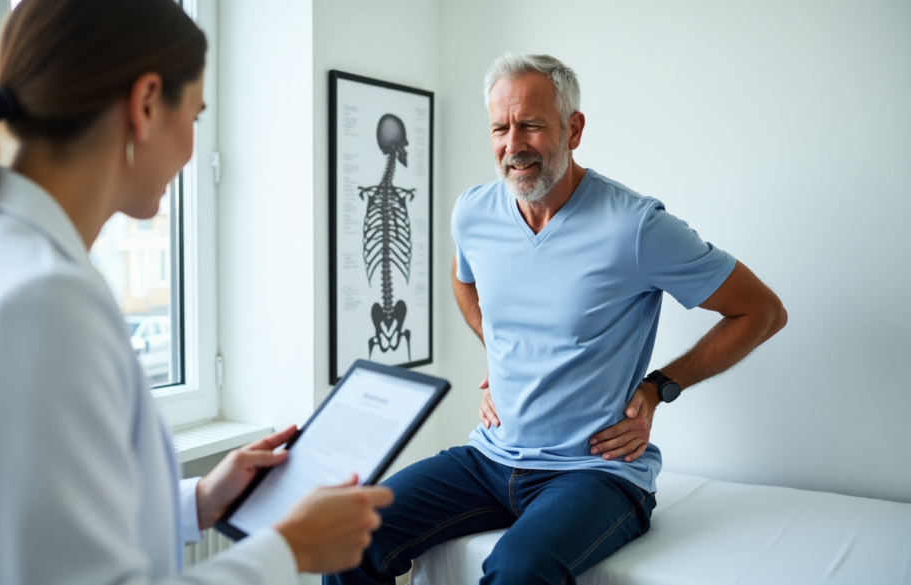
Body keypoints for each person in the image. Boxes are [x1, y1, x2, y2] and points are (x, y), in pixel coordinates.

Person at [0, 1, 392, 583]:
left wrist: (199, 501)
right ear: (147, 103)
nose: (191, 148)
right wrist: (289, 549)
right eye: (196, 118)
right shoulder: (38, 300)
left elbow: (32, 522)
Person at [326, 54, 787, 585]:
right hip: (489, 457)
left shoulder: (636, 227)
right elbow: (463, 279)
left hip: (595, 473)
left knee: (518, 567)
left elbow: (761, 310)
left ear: (574, 128)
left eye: (531, 125)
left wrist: (660, 387)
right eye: (500, 127)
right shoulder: (474, 211)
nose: (513, 144)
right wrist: (500, 358)